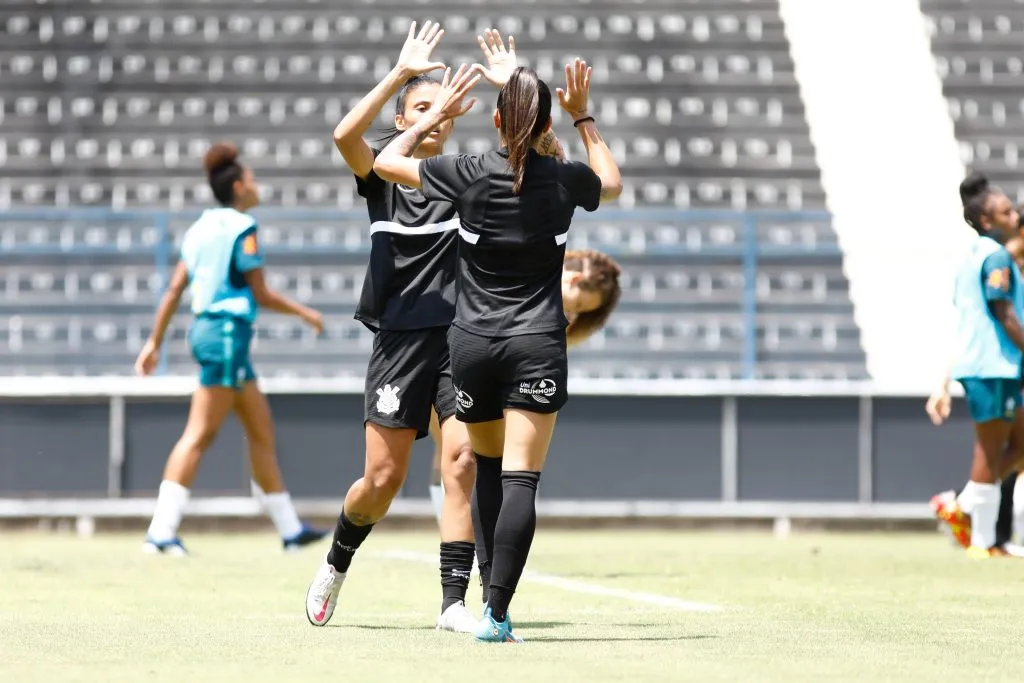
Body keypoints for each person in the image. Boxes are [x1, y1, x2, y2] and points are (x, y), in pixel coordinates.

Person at [373, 58, 622, 642]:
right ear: (543, 124)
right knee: (521, 482)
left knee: (485, 469)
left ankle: (487, 603)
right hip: (536, 344)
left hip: (473, 344)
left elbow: (384, 161)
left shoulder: (467, 172)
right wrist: (581, 115)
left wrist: (435, 116)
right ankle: (497, 612)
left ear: (492, 118)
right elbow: (609, 181)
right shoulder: (563, 179)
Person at [304, 24, 521, 633]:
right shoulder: (380, 175)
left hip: (462, 338)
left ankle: (453, 603)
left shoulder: (467, 175)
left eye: (444, 109)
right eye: (422, 109)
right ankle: (337, 561)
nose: (439, 116)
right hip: (399, 342)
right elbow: (343, 134)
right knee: (381, 480)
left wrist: (514, 86)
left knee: (461, 463)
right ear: (401, 117)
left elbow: (532, 157)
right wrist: (402, 76)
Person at [135, 142, 326, 555]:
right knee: (199, 434)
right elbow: (261, 293)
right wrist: (306, 314)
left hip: (214, 334)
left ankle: (290, 531)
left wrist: (154, 341)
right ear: (239, 186)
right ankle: (161, 533)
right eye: (252, 179)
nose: (256, 185)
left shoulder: (200, 228)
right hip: (226, 335)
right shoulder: (243, 228)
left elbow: (173, 290)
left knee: (261, 429)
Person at [426, 247, 622, 526]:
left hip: (493, 363)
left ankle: (487, 534)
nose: (574, 316)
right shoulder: (517, 269)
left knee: (486, 454)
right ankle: (456, 533)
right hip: (451, 351)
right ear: (574, 279)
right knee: (457, 449)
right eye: (577, 306)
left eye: (580, 312)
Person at [923, 172, 1024, 558]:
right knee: (990, 452)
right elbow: (1004, 314)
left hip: (983, 364)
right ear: (987, 221)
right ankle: (963, 515)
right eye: (1006, 211)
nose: (1014, 216)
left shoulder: (970, 257)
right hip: (992, 366)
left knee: (1015, 445)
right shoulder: (996, 257)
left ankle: (979, 530)